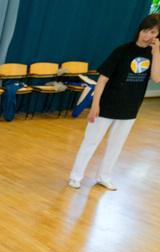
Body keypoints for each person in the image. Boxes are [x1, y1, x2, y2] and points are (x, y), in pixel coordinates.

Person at [68, 14, 160, 190]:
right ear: (139, 30)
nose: (147, 35)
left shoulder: (154, 55)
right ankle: (75, 176)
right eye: (145, 30)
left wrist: (156, 53)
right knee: (90, 142)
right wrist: (95, 105)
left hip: (130, 108)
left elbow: (156, 78)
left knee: (116, 146)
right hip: (107, 105)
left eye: (153, 32)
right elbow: (102, 80)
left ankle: (104, 176)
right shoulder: (122, 51)